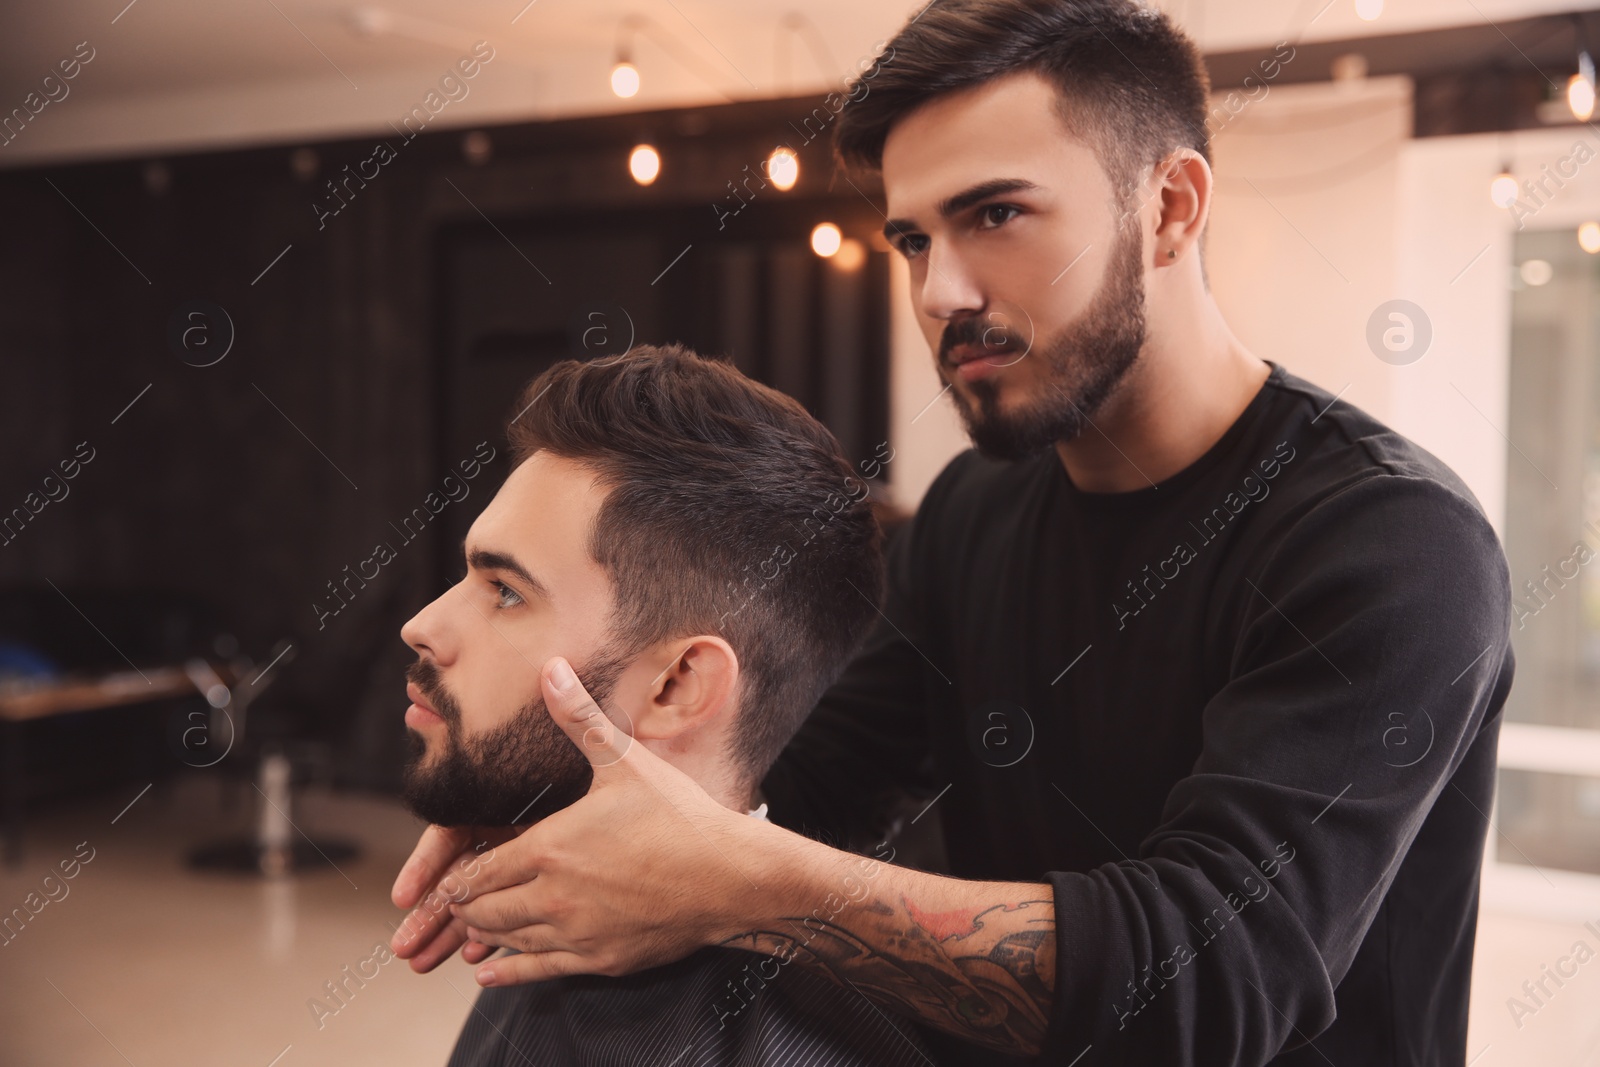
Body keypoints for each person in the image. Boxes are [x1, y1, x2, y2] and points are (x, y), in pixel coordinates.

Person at [393, 2, 1514, 1064]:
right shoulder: (979, 507)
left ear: (1168, 207)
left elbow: (1210, 981)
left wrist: (737, 881)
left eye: (995, 214)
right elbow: (809, 772)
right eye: (912, 239)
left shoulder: (1389, 544)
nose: (938, 289)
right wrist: (546, 808)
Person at [392, 345, 933, 1066]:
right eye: (470, 575)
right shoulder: (558, 922)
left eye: (507, 592)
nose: (423, 625)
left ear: (677, 685)